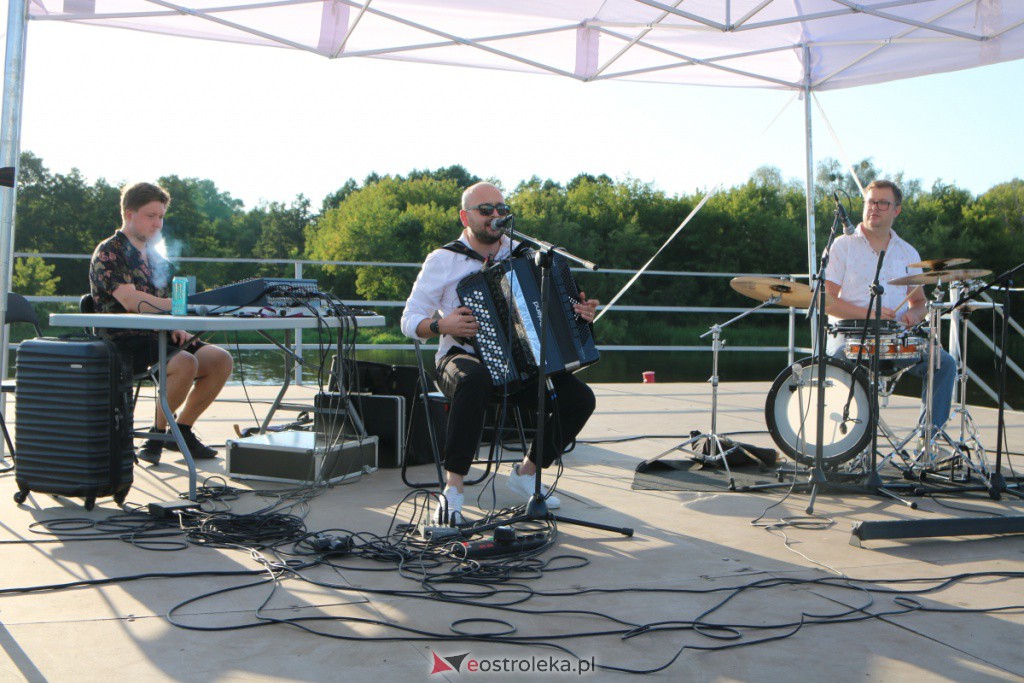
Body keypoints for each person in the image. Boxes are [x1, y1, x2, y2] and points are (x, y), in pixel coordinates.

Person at [401, 181, 598, 525]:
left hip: (519, 365)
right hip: (459, 357)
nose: (495, 215)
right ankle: (453, 489)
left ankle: (526, 473)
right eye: (486, 210)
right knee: (473, 380)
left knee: (580, 399)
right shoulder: (443, 260)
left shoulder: (525, 254)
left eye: (501, 209)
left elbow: (554, 303)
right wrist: (441, 325)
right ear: (465, 217)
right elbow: (408, 320)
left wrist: (579, 313)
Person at [89, 181, 234, 464]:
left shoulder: (154, 256)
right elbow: (132, 301)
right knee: (185, 363)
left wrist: (176, 324)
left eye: (161, 216)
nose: (158, 223)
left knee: (221, 360)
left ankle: (181, 431)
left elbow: (163, 303)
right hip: (123, 340)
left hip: (157, 336)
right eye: (151, 216)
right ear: (130, 214)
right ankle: (157, 435)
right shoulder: (109, 252)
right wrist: (183, 306)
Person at [824, 179, 956, 432]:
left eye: (883, 203)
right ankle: (854, 438)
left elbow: (919, 302)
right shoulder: (842, 245)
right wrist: (871, 314)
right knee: (841, 360)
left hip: (894, 337)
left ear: (897, 210)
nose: (874, 207)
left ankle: (929, 438)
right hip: (849, 334)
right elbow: (826, 301)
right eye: (870, 202)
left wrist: (913, 316)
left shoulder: (908, 252)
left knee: (943, 363)